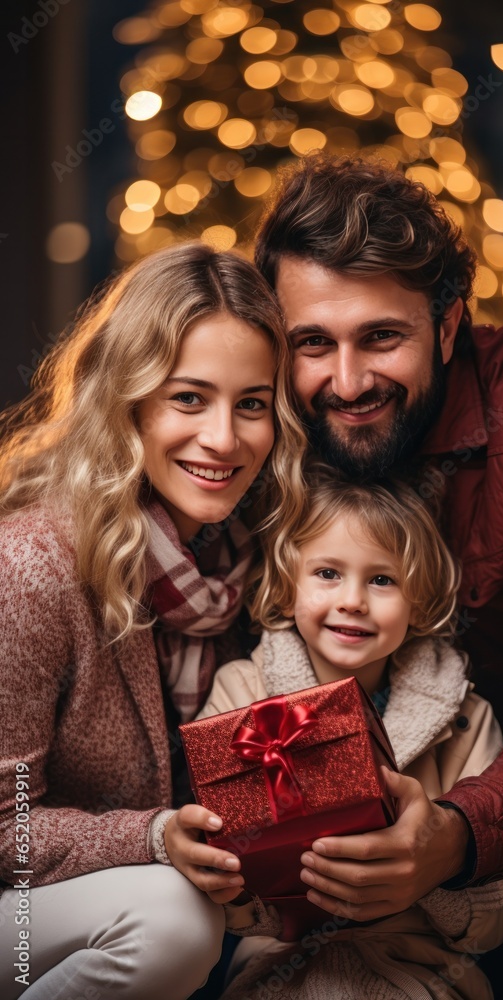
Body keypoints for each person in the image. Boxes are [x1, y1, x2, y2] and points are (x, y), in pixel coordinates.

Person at [251, 155, 503, 926]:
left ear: (448, 324)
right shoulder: (264, 417)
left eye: (381, 337)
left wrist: (450, 840)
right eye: (314, 344)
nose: (349, 383)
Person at [0, 242, 307, 1000]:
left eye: (253, 404)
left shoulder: (248, 558)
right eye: (189, 398)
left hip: (124, 903)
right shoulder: (32, 565)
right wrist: (152, 838)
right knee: (173, 917)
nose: (224, 439)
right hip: (21, 911)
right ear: (128, 399)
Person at [194, 475, 503, 1000]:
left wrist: (432, 874)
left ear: (419, 603)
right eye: (328, 573)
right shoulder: (240, 691)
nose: (352, 600)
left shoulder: (467, 718)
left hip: (421, 969)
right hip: (278, 967)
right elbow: (215, 865)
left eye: (382, 580)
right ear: (287, 587)